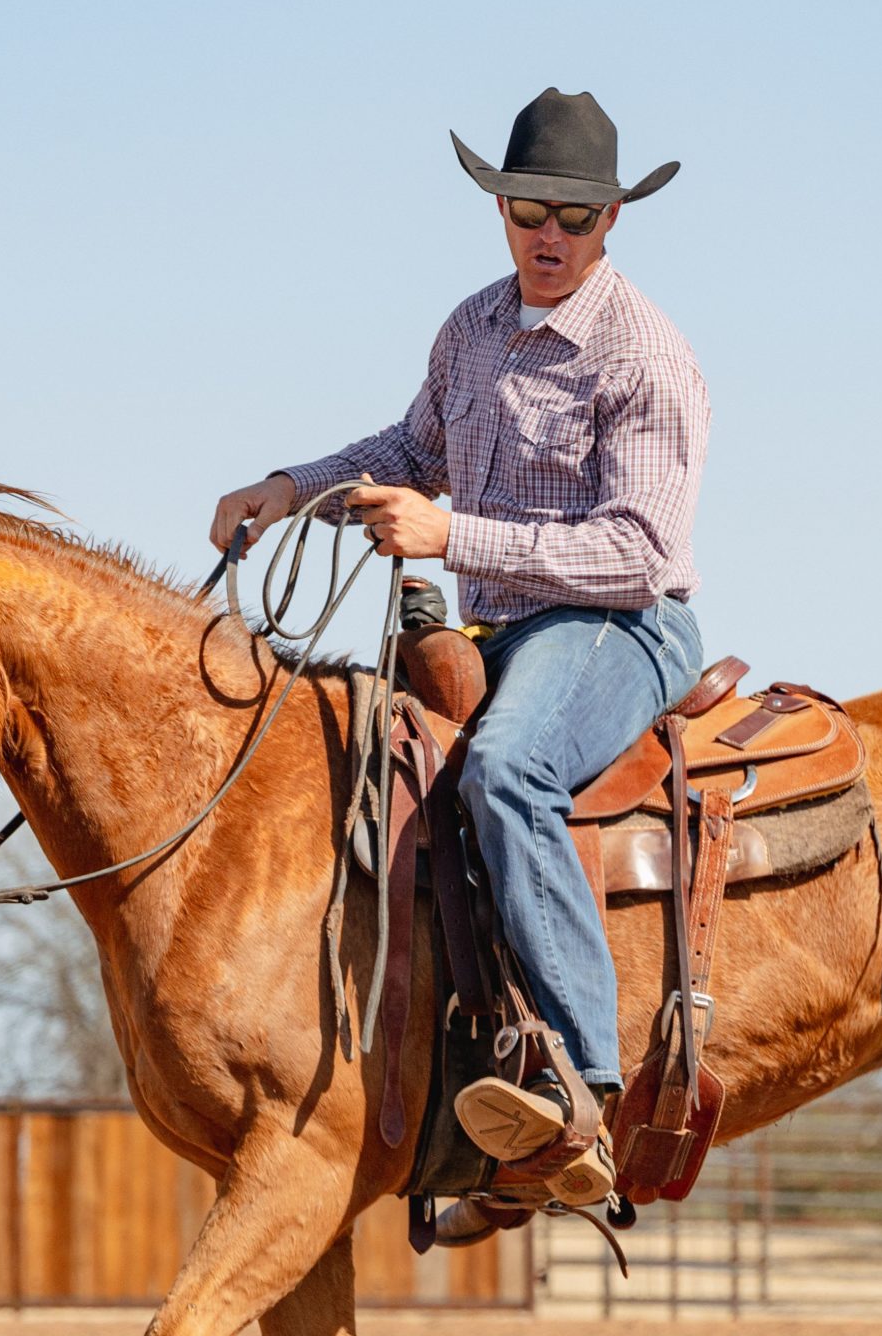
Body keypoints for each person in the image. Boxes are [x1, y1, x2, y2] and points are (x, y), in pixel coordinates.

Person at [211, 88, 709, 1209]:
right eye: (527, 205)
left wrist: (456, 535)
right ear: (498, 205)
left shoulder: (647, 358)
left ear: (613, 221)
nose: (548, 232)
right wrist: (291, 488)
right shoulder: (471, 328)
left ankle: (581, 1087)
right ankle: (446, 1070)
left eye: (574, 217)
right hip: (497, 624)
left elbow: (638, 549)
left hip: (618, 624)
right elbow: (408, 446)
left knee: (506, 770)